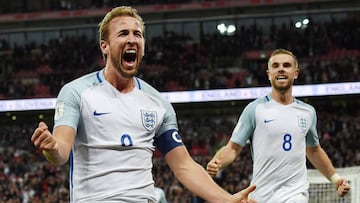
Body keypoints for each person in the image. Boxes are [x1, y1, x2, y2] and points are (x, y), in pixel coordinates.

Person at [31, 6, 256, 203]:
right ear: (105, 46)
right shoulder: (77, 92)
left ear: (144, 45)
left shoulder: (158, 103)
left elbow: (183, 166)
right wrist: (51, 148)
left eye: (137, 34)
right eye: (123, 33)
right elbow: (61, 150)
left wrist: (227, 199)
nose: (131, 39)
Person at [206, 48, 351, 203]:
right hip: (261, 195)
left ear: (296, 73)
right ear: (269, 74)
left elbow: (313, 150)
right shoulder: (254, 109)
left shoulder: (308, 112)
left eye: (286, 65)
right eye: (275, 66)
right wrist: (217, 161)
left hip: (295, 194)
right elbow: (233, 148)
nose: (281, 69)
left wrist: (335, 179)